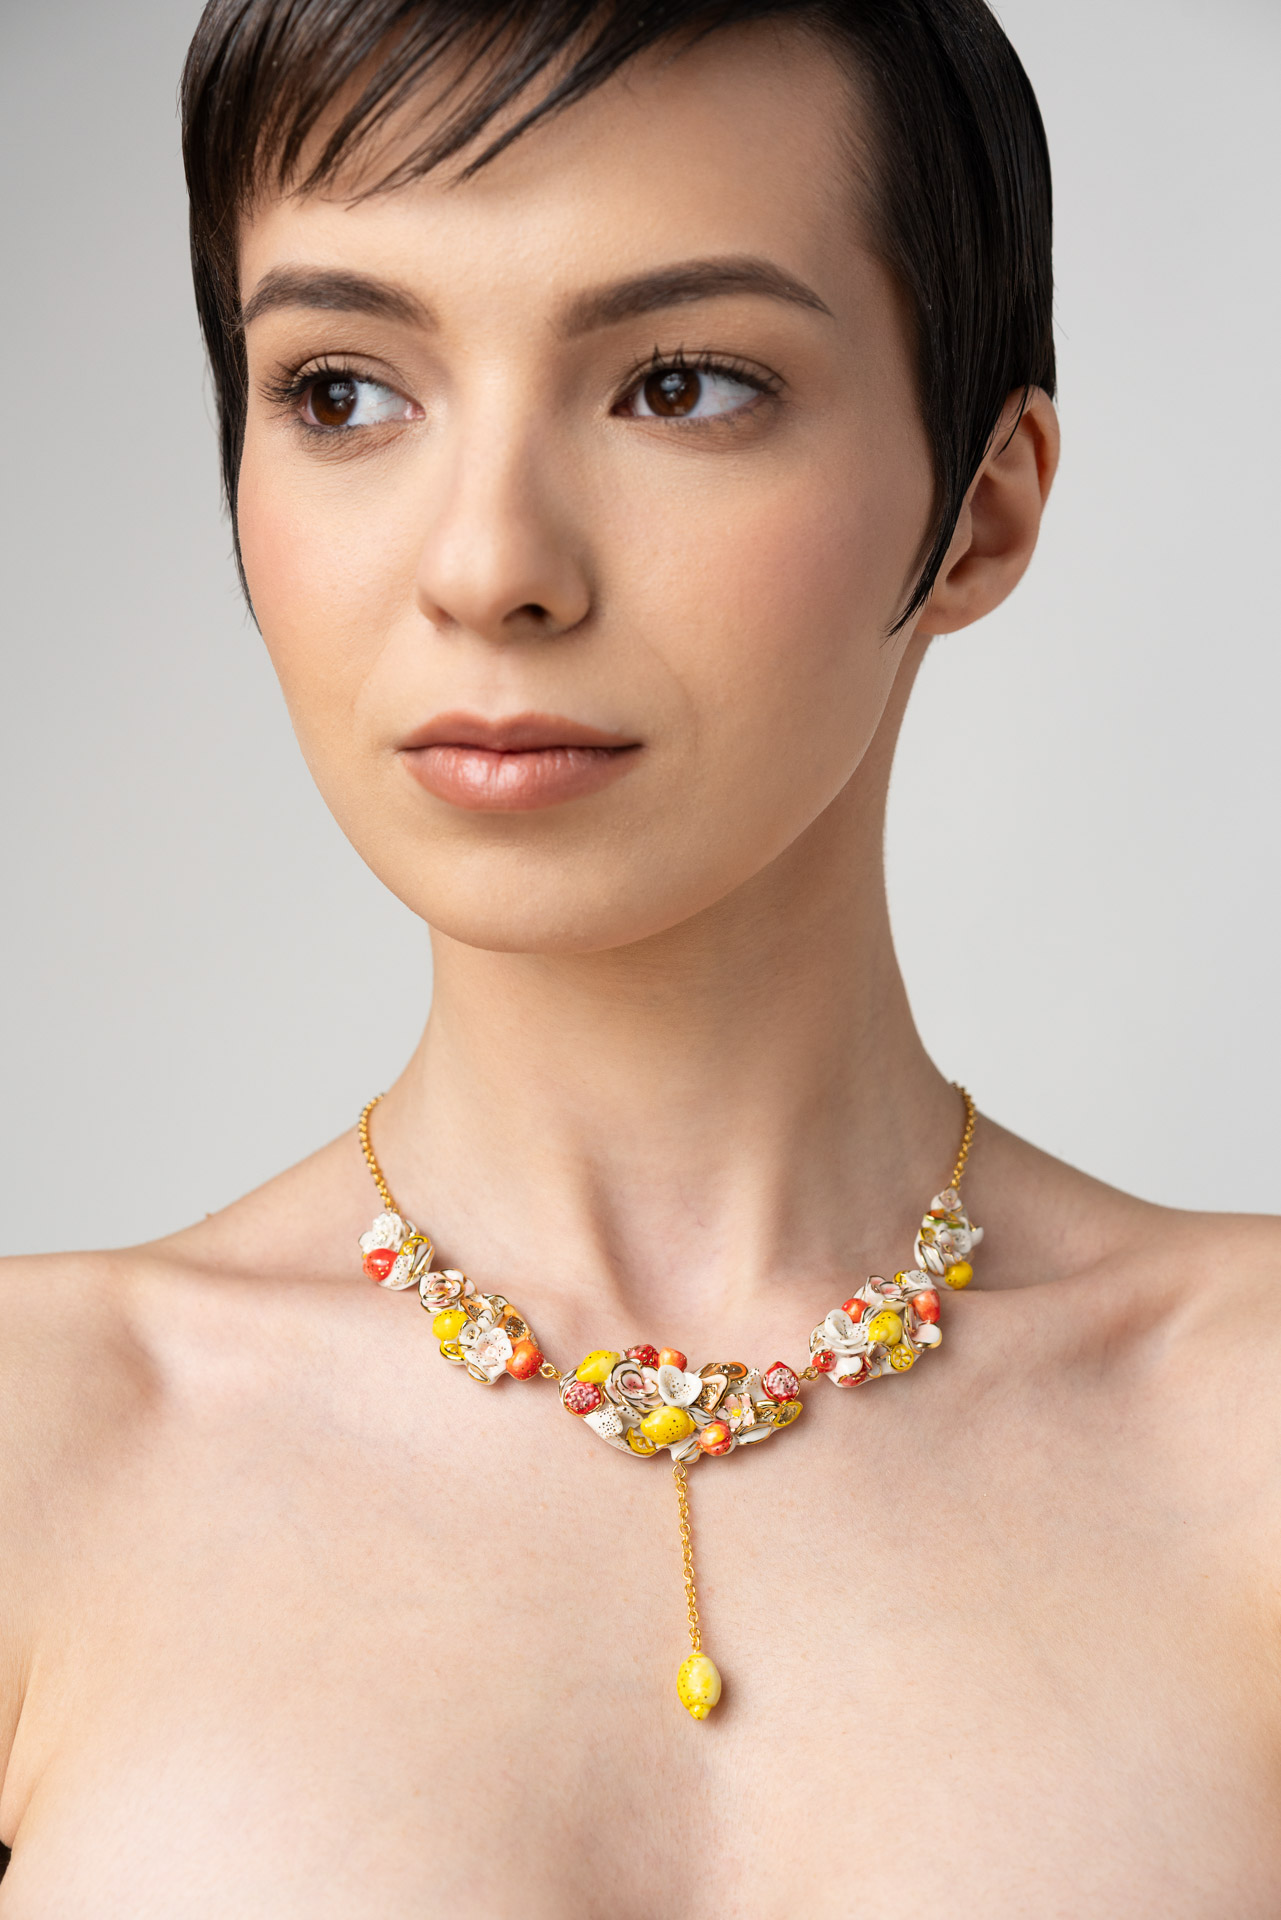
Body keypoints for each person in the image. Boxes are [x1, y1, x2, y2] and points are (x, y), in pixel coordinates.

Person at [0, 0, 1277, 1910]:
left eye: (679, 384)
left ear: (980, 508)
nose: (487, 565)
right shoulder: (37, 1451)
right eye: (341, 392)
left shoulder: (1251, 1433)